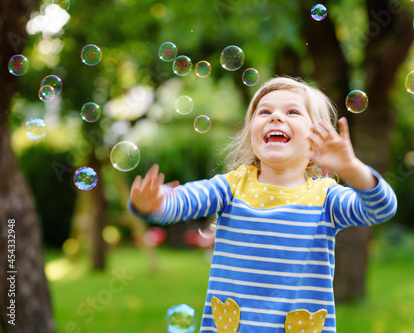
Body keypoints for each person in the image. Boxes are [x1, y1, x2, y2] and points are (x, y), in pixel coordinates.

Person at [128, 76, 397, 333]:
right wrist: (154, 203)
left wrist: (352, 169)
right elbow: (185, 200)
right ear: (250, 138)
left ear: (317, 141)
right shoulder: (232, 186)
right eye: (264, 112)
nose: (276, 117)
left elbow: (380, 208)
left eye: (293, 112)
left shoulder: (326, 198)